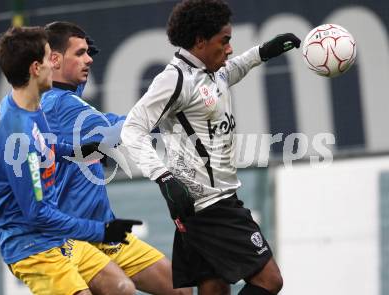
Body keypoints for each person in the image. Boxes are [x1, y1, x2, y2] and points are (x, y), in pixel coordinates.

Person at [120, 0, 301, 294]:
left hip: (200, 206)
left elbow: (234, 70)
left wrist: (263, 52)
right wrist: (163, 177)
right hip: (209, 205)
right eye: (224, 41)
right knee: (270, 280)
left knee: (214, 288)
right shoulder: (175, 79)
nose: (229, 48)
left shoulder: (212, 71)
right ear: (200, 41)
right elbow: (132, 128)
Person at [0, 26, 142, 295]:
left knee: (122, 288)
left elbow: (49, 144)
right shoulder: (20, 137)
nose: (53, 64)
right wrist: (101, 231)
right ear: (36, 68)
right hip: (31, 245)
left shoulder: (24, 104)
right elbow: (38, 214)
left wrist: (82, 150)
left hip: (55, 236)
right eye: (49, 59)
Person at [41, 21, 191, 295]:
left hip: (102, 231)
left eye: (89, 53)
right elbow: (121, 130)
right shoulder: (58, 103)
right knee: (121, 290)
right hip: (71, 238)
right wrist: (169, 103)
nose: (88, 60)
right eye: (80, 53)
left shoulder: (69, 100)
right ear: (54, 59)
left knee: (180, 288)